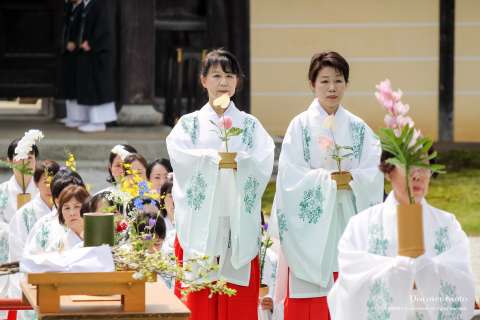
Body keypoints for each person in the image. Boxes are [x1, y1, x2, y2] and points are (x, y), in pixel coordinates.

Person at [270, 51, 384, 320]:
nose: (332, 88)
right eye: (324, 81)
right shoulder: (299, 126)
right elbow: (289, 177)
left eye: (338, 80)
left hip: (348, 218)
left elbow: (374, 170)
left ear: (346, 83)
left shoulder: (359, 128)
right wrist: (329, 180)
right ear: (312, 84)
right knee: (311, 299)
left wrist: (352, 179)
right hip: (312, 227)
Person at [166, 48, 275, 320]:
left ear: (238, 81)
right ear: (203, 80)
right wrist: (215, 160)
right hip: (202, 224)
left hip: (235, 224)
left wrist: (238, 162)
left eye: (229, 75)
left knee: (236, 301)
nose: (223, 82)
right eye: (216, 75)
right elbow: (181, 161)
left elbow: (262, 162)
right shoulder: (188, 125)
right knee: (199, 299)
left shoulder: (250, 126)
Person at [327, 150, 476, 319]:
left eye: (424, 166)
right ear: (388, 171)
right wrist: (402, 270)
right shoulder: (361, 225)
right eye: (409, 165)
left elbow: (462, 281)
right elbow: (350, 286)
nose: (417, 175)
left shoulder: (447, 225)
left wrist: (422, 270)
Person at [75, 0, 117, 132]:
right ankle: (92, 119)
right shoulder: (86, 5)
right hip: (90, 54)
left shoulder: (99, 5)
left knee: (98, 87)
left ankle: (98, 122)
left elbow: (103, 28)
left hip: (99, 53)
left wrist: (91, 43)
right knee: (90, 87)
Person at [23, 169, 85, 256]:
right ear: (57, 201)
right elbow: (30, 257)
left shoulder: (94, 221)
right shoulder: (44, 228)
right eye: (65, 195)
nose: (72, 212)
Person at [9, 160, 60, 262]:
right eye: (45, 182)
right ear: (36, 183)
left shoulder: (65, 211)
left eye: (53, 181)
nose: (49, 187)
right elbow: (17, 249)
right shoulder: (23, 215)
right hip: (32, 270)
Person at [0, 138, 39, 224]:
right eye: (21, 158)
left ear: (36, 160)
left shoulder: (45, 190)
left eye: (29, 157)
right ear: (10, 161)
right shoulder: (1, 192)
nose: (25, 162)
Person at [59, 0, 84, 128]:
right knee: (68, 86)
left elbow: (82, 28)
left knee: (75, 87)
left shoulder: (83, 8)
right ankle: (71, 116)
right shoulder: (70, 8)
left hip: (77, 53)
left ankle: (77, 118)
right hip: (67, 51)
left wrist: (75, 42)